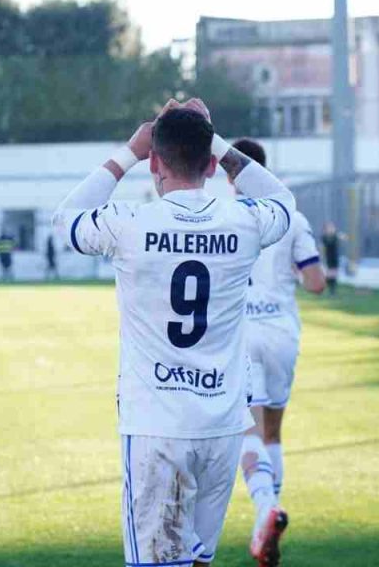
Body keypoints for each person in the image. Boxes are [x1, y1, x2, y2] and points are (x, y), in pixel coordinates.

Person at [53, 99, 296, 567]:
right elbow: (284, 201)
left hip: (157, 428)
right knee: (197, 560)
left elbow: (66, 219)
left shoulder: (129, 223)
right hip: (222, 427)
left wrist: (129, 151)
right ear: (210, 163)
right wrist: (216, 139)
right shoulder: (243, 220)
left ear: (155, 162)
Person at [226, 138, 323, 566]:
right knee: (273, 433)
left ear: (233, 175)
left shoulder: (226, 215)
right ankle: (265, 521)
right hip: (282, 332)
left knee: (248, 430)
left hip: (241, 334)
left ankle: (265, 508)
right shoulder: (293, 217)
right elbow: (316, 282)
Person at [321, 222, 340, 296]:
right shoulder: (325, 238)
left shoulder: (335, 237)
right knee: (330, 274)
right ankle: (329, 289)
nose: (331, 229)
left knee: (334, 274)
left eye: (332, 228)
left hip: (335, 258)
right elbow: (327, 243)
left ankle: (332, 291)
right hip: (329, 258)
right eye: (329, 228)